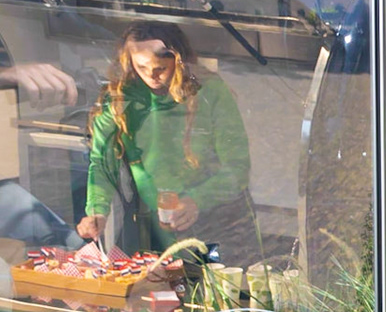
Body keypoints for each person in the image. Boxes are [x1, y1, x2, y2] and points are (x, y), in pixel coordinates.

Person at [79, 22, 263, 264]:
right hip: (158, 225)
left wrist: (196, 200)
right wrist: (97, 211)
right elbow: (102, 164)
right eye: (141, 66)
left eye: (160, 68)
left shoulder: (210, 90)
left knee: (225, 292)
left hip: (221, 218)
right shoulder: (120, 97)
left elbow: (237, 168)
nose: (151, 76)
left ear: (179, 61)